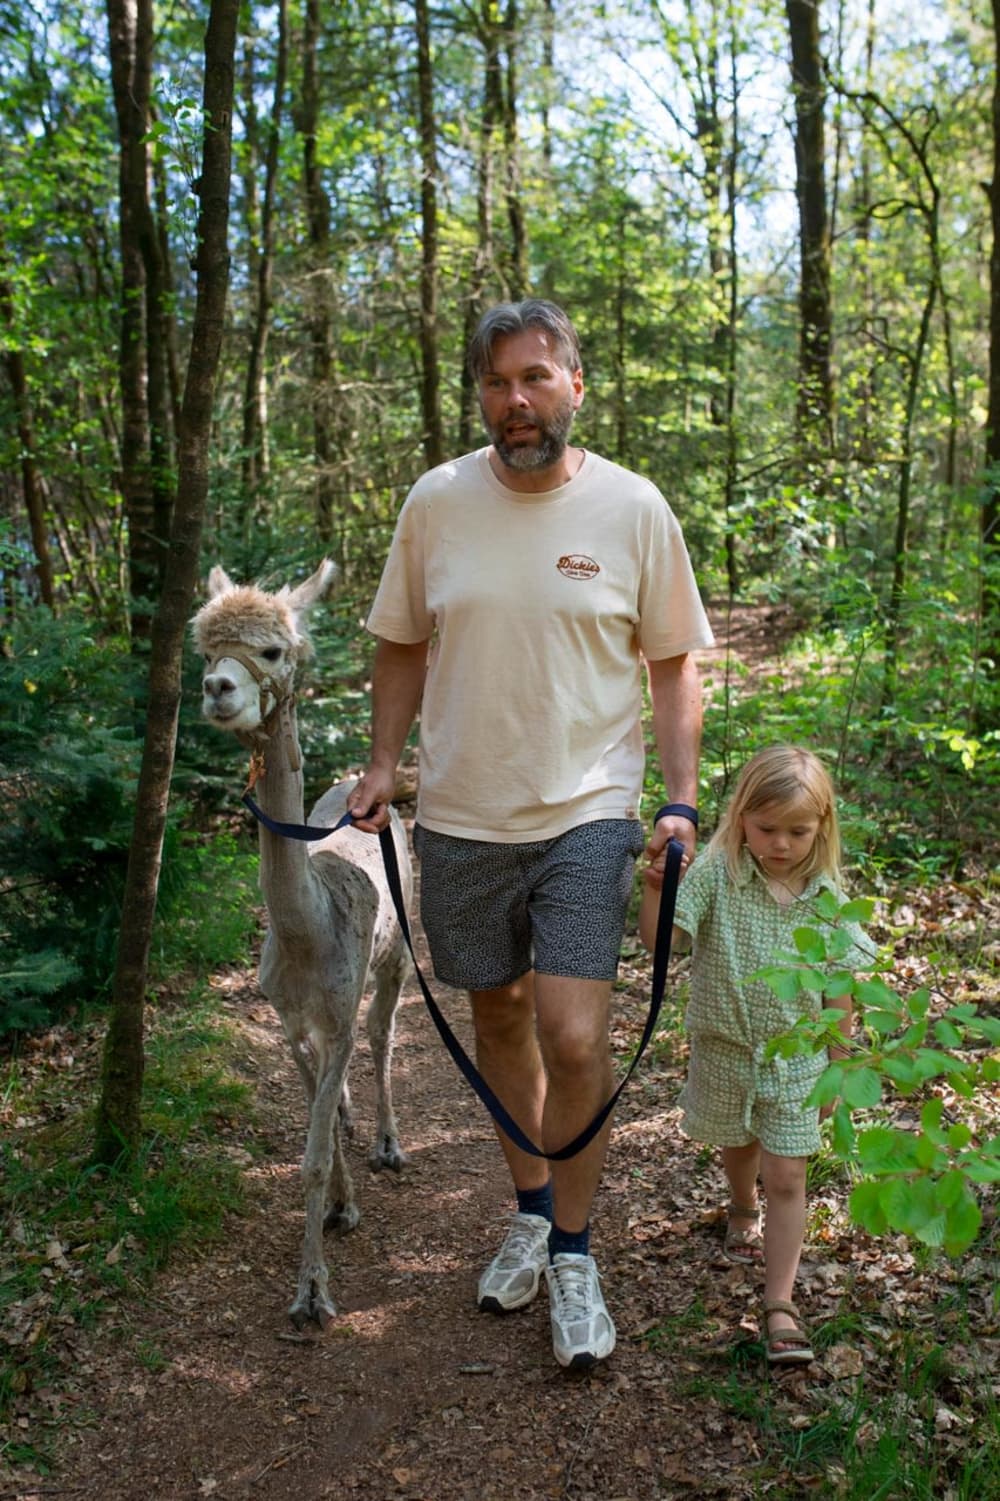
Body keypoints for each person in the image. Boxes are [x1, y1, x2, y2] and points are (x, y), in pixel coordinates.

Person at [347, 298, 714, 1371]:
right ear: (482, 395)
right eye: (498, 382)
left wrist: (680, 796)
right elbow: (402, 642)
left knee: (574, 1034)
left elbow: (673, 663)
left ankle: (573, 1252)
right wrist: (381, 764)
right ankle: (531, 1202)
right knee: (499, 1019)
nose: (517, 400)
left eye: (537, 377)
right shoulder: (436, 502)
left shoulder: (633, 508)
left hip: (588, 808)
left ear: (575, 385)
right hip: (461, 811)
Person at [638, 744, 874, 1365]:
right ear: (741, 815)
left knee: (789, 1175)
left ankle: (779, 1302)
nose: (780, 844)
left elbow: (840, 993)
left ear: (822, 827)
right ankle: (741, 1206)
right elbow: (661, 940)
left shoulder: (826, 901)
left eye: (798, 830)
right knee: (737, 1140)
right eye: (767, 828)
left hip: (798, 1063)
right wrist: (656, 888)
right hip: (723, 1048)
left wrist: (840, 1068)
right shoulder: (718, 872)